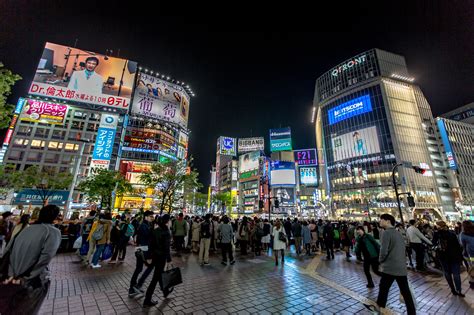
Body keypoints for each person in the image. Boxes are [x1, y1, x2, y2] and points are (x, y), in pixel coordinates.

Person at [3, 205, 61, 314]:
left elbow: (7, 250)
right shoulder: (53, 232)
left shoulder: (26, 229)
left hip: (11, 277)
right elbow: (46, 258)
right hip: (32, 281)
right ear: (55, 217)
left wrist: (11, 275)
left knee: (10, 309)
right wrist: (26, 278)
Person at [371, 214, 416, 315]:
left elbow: (383, 251)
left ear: (387, 221)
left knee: (383, 288)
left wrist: (380, 261)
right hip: (401, 267)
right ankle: (412, 312)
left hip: (390, 267)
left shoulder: (386, 233)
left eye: (381, 220)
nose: (380, 222)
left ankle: (379, 308)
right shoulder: (398, 232)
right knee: (405, 292)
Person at [143, 214, 173, 307]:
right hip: (161, 257)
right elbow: (166, 248)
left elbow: (150, 245)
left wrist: (149, 257)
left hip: (154, 256)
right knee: (155, 278)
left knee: (159, 275)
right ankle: (147, 300)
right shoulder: (166, 232)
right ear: (167, 221)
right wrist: (169, 259)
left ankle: (165, 291)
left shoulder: (155, 231)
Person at [432, 221, 465, 297]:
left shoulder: (436, 235)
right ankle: (459, 290)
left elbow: (433, 245)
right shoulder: (452, 234)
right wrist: (460, 258)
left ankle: (453, 290)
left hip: (443, 257)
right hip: (454, 257)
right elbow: (458, 247)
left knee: (447, 273)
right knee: (456, 274)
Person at [129, 211, 155, 297]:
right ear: (146, 217)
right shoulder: (144, 226)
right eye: (151, 216)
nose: (152, 218)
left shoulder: (145, 225)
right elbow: (148, 237)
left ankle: (132, 288)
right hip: (144, 249)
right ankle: (137, 285)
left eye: (152, 216)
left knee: (139, 268)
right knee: (149, 266)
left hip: (140, 249)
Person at [460, 220, 474, 289]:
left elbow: (462, 244)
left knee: (471, 268)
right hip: (470, 255)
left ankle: (472, 282)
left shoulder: (463, 234)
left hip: (469, 255)